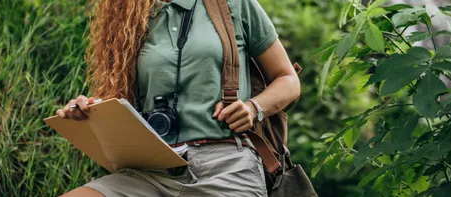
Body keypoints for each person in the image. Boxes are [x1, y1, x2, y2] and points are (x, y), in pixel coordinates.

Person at [57, 0, 300, 196]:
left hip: (226, 165)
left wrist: (253, 107)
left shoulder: (233, 4)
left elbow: (288, 79)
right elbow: (120, 100)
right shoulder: (127, 14)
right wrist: (88, 110)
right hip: (150, 171)